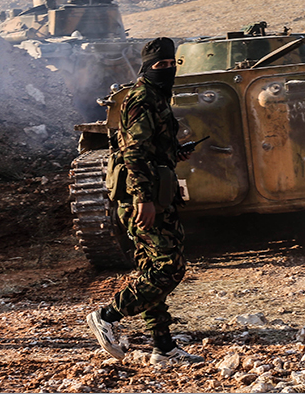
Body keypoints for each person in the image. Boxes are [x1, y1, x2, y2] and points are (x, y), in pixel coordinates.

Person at [85, 37, 202, 365]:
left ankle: (162, 348)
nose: (165, 70)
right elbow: (134, 153)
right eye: (158, 65)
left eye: (169, 64)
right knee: (169, 269)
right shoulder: (143, 98)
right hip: (145, 199)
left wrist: (175, 153)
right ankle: (107, 316)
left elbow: (149, 149)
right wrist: (143, 200)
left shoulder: (157, 97)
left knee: (152, 270)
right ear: (146, 67)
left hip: (154, 193)